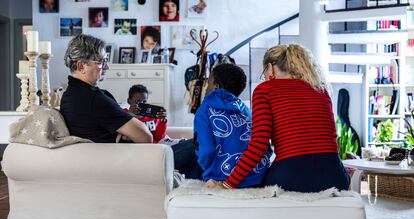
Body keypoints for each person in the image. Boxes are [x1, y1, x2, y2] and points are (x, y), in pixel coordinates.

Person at [206, 44, 350, 192]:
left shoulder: (265, 90)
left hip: (291, 176)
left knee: (258, 181)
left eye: (264, 72)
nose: (266, 78)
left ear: (270, 67)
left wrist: (227, 184)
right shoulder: (321, 90)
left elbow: (259, 146)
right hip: (335, 177)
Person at [61, 34, 199, 178]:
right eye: (101, 61)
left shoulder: (68, 96)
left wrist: (124, 132)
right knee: (199, 144)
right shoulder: (94, 99)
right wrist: (125, 131)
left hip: (119, 159)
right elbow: (146, 137)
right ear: (81, 65)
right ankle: (192, 193)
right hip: (134, 164)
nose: (107, 66)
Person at [195, 64, 272, 187]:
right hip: (257, 177)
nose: (206, 86)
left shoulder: (205, 110)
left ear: (216, 86)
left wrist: (210, 171)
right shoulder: (247, 111)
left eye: (208, 82)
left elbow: (206, 151)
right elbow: (266, 147)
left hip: (223, 178)